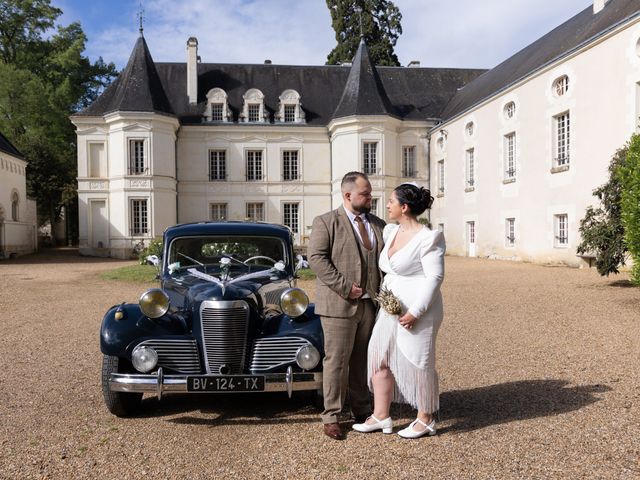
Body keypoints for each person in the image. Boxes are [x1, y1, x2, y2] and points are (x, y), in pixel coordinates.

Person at [352, 183, 445, 439]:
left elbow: (435, 277)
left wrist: (416, 312)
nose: (388, 205)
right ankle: (381, 415)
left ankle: (425, 420)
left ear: (404, 207)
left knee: (419, 362)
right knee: (378, 357)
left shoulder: (429, 238)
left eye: (392, 201)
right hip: (390, 305)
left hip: (418, 310)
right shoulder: (391, 230)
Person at [308, 171, 386, 440]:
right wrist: (344, 286)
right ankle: (332, 415)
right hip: (339, 305)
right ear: (347, 195)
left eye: (370, 192)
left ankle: (362, 410)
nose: (370, 197)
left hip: (370, 305)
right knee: (336, 362)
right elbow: (316, 258)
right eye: (365, 193)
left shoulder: (378, 224)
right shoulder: (326, 222)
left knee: (362, 360)